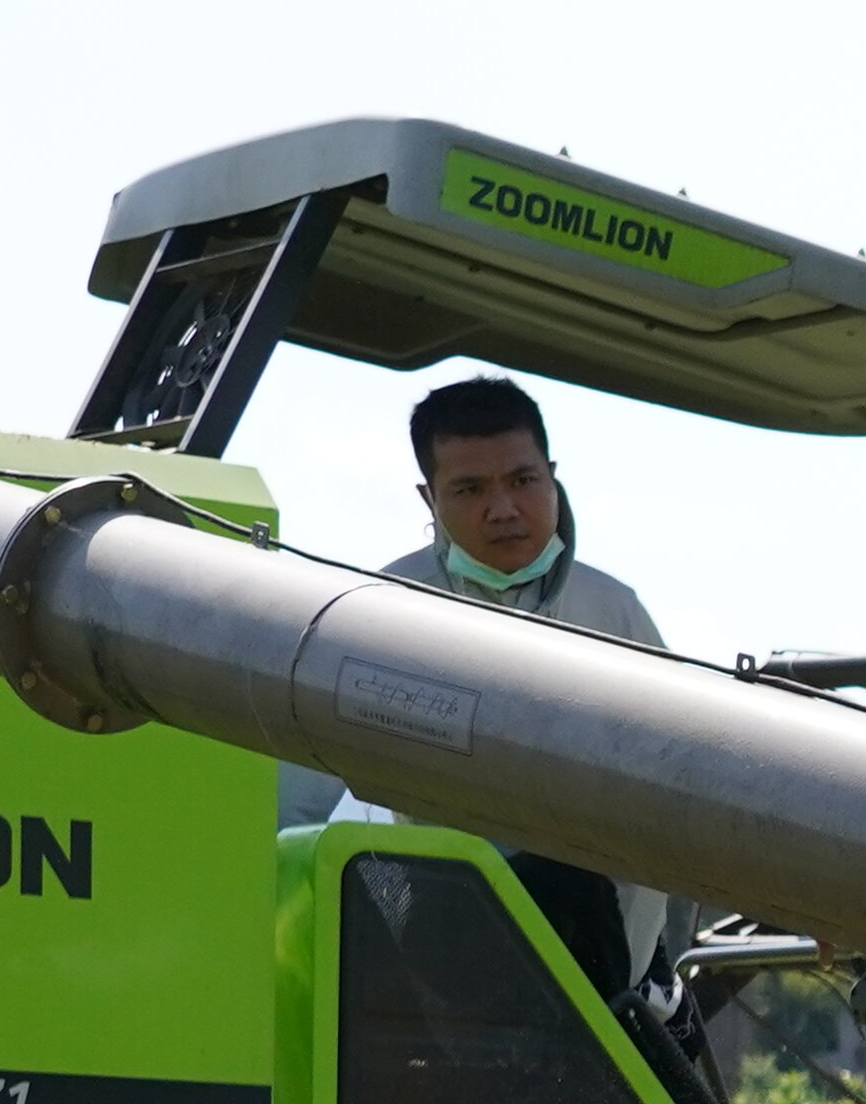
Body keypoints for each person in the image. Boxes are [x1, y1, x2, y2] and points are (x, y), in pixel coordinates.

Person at [279, 373, 687, 990]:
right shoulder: (377, 616)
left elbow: (692, 779)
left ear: (552, 476)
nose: (503, 509)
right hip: (449, 957)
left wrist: (794, 893)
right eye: (470, 489)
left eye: (523, 481)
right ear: (429, 499)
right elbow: (291, 803)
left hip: (613, 966)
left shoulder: (616, 613)